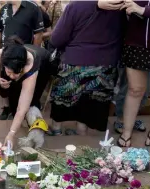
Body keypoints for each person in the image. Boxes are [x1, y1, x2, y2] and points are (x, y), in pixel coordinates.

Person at [48, 1, 125, 136]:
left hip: (74, 62)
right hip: (105, 64)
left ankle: (56, 129)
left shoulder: (76, 6)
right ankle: (81, 131)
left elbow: (57, 38)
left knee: (62, 98)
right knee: (90, 101)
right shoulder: (120, 7)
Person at [114, 0, 150, 147]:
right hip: (135, 44)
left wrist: (142, 10)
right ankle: (126, 132)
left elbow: (140, 9)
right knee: (134, 90)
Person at [0, 36, 50, 146]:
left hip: (43, 62)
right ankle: (18, 121)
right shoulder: (1, 54)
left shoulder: (30, 67)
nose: (12, 77)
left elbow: (21, 108)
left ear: (22, 68)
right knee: (13, 93)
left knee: (30, 100)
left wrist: (11, 133)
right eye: (9, 72)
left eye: (16, 73)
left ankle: (36, 129)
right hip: (20, 55)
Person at [0, 0, 44, 120]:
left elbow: (38, 34)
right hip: (6, 55)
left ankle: (24, 110)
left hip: (22, 57)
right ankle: (8, 108)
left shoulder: (33, 8)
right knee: (4, 84)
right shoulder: (3, 9)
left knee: (22, 85)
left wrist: (34, 52)